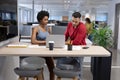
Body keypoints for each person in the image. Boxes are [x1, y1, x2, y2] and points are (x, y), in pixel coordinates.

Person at [31, 10, 55, 80]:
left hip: (47, 51)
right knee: (40, 70)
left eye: (47, 19)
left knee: (52, 69)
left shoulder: (48, 28)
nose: (47, 21)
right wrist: (44, 42)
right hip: (39, 52)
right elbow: (33, 41)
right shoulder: (36, 28)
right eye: (45, 19)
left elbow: (51, 39)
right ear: (40, 20)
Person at [65, 12, 87, 80]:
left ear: (80, 20)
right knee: (72, 64)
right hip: (71, 47)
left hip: (80, 48)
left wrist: (67, 42)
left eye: (76, 22)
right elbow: (66, 34)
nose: (74, 23)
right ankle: (73, 77)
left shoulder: (82, 27)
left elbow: (77, 42)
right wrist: (62, 41)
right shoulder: (70, 24)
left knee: (79, 65)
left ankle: (79, 78)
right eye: (73, 21)